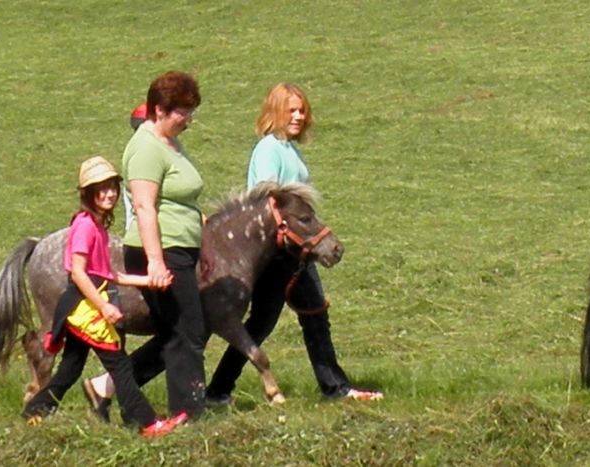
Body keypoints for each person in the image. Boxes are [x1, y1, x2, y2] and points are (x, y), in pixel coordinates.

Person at [203, 83, 383, 404]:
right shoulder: (269, 148)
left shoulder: (288, 149)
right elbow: (270, 201)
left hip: (296, 252)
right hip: (282, 254)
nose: (299, 116)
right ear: (276, 112)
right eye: (292, 110)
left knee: (293, 318)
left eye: (302, 110)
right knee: (276, 321)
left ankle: (220, 390)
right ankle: (333, 388)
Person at [21, 156, 181, 437]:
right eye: (101, 189)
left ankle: (35, 410)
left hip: (88, 303)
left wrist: (150, 280)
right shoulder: (84, 226)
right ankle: (147, 423)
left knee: (71, 368)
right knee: (119, 365)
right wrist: (104, 306)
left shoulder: (97, 226)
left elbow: (109, 274)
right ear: (88, 194)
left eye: (112, 188)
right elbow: (80, 274)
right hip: (84, 307)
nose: (109, 194)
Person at [83, 71, 210, 420]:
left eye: (190, 110)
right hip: (160, 251)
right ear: (159, 110)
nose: (188, 119)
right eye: (181, 112)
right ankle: (187, 414)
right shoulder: (145, 147)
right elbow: (143, 206)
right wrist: (156, 261)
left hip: (180, 248)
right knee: (188, 330)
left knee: (180, 330)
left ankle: (106, 387)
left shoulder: (170, 143)